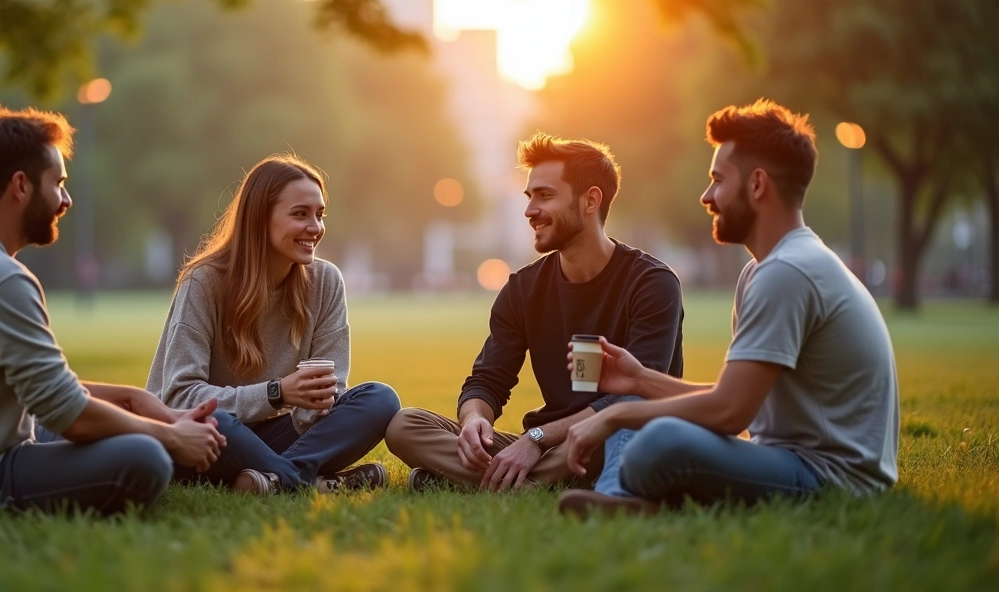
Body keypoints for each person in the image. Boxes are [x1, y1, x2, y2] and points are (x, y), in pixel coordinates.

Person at [0, 104, 226, 515]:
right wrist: (170, 438)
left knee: (127, 429)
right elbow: (69, 416)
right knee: (145, 457)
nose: (66, 199)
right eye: (58, 183)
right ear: (21, 186)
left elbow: (42, 390)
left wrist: (131, 399)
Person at [559, 99, 899, 517]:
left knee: (655, 437)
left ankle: (620, 501)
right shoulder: (765, 269)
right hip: (788, 458)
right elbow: (733, 400)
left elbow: (729, 412)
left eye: (718, 179)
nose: (707, 196)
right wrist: (638, 379)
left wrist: (618, 416)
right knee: (639, 421)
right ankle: (625, 503)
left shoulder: (788, 272)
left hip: (832, 478)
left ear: (757, 185)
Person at [385, 133, 684, 492]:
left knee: (623, 426)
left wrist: (537, 439)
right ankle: (523, 482)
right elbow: (488, 380)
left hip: (616, 436)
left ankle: (494, 482)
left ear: (590, 200)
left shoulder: (652, 283)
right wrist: (474, 421)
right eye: (529, 197)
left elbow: (637, 395)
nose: (529, 211)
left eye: (545, 195)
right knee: (405, 425)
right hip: (547, 448)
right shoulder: (523, 288)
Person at [146, 154, 400, 495]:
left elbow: (330, 391)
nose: (315, 228)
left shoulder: (325, 281)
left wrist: (321, 402)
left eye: (320, 215)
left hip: (279, 434)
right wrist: (277, 393)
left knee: (380, 399)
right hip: (204, 438)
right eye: (300, 214)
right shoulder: (203, 282)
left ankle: (275, 478)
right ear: (260, 219)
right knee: (216, 420)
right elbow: (179, 397)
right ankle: (308, 481)